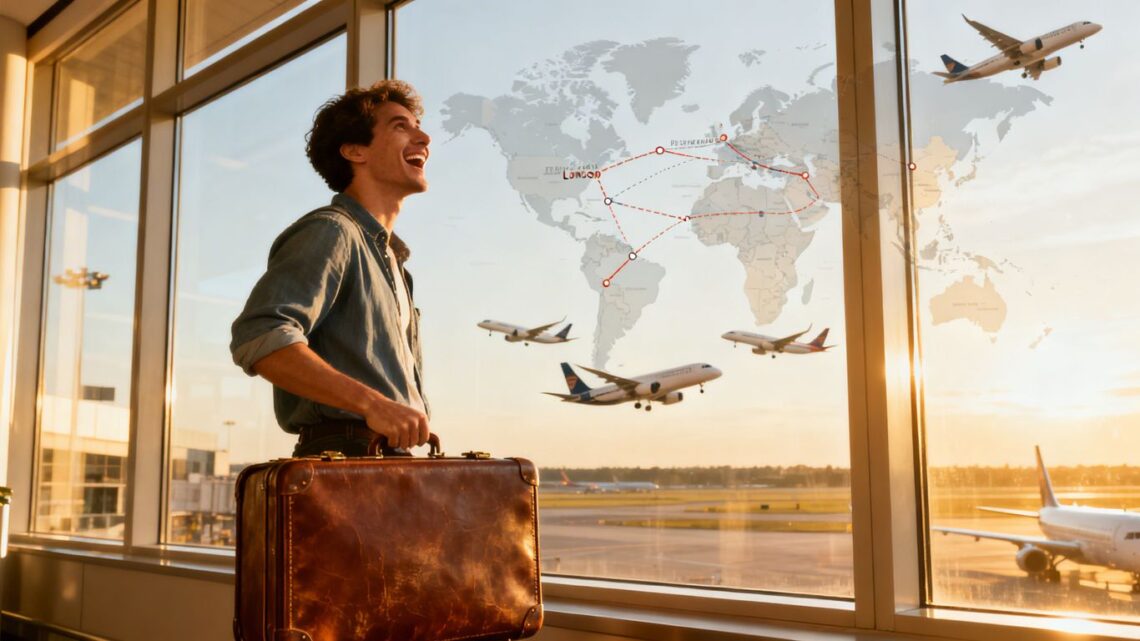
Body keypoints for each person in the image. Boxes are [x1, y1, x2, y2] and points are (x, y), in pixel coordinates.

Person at [230, 79, 432, 457]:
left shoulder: (394, 262)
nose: (424, 138)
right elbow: (260, 336)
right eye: (400, 126)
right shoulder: (332, 232)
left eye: (418, 126)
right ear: (355, 151)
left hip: (385, 458)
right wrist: (373, 404)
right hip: (345, 458)